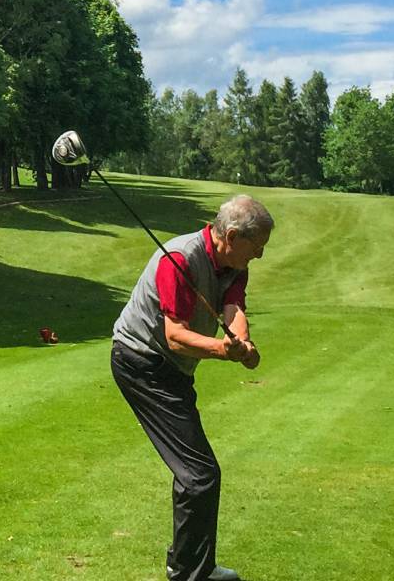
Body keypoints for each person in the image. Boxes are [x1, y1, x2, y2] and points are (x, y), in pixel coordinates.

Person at [109, 194, 273, 581]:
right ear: (232, 236)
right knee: (199, 474)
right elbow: (176, 337)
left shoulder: (234, 264)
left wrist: (244, 344)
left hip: (172, 371)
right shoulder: (179, 260)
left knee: (197, 473)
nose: (260, 255)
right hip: (141, 362)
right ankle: (190, 573)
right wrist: (223, 349)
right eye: (258, 247)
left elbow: (233, 308)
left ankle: (189, 565)